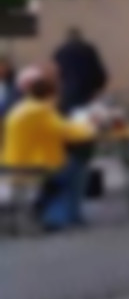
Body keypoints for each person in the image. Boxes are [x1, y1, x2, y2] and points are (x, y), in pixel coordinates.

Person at [3, 67, 95, 230]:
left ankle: (54, 210)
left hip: (13, 163)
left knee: (69, 168)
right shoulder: (41, 111)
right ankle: (58, 216)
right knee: (77, 167)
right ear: (51, 94)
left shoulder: (22, 108)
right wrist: (89, 127)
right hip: (35, 165)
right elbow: (70, 133)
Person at [53, 28, 107, 113]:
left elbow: (54, 73)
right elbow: (98, 72)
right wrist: (97, 87)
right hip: (86, 92)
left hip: (67, 93)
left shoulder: (60, 52)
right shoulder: (88, 50)